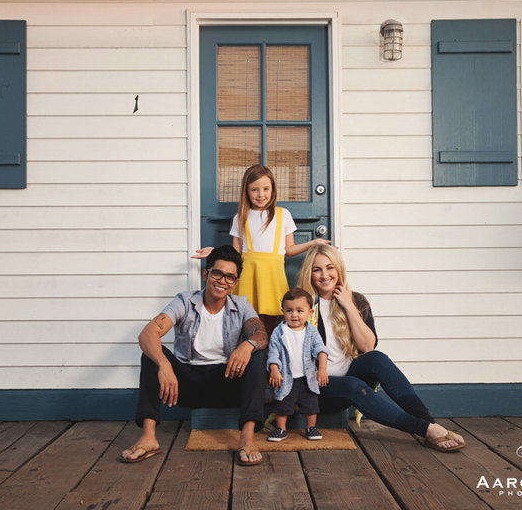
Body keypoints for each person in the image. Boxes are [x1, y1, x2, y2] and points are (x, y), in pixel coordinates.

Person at [296, 244, 466, 452]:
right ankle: (425, 430)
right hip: (318, 390)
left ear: (339, 269)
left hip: (351, 376)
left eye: (330, 267)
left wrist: (349, 306)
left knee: (376, 358)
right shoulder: (300, 305)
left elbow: (367, 346)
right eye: (317, 269)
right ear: (309, 273)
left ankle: (430, 423)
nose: (325, 275)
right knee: (350, 385)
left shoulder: (356, 300)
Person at [121, 245, 269, 466]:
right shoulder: (185, 301)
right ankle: (149, 438)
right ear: (206, 274)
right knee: (151, 354)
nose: (222, 281)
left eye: (230, 277)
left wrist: (247, 346)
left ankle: (247, 438)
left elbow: (261, 335)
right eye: (217, 273)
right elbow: (147, 334)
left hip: (226, 381)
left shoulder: (241, 304)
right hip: (186, 384)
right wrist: (164, 364)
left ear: (235, 283)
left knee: (258, 355)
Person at [193, 165, 331, 335]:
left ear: (273, 190)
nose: (260, 194)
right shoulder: (241, 217)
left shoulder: (283, 215)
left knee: (273, 326)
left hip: (273, 278)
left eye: (266, 189)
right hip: (249, 278)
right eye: (254, 190)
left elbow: (290, 249)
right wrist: (216, 251)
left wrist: (313, 243)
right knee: (249, 324)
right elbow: (236, 254)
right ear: (246, 191)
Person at [267, 288, 329, 442]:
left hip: (307, 378)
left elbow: (321, 350)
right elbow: (273, 353)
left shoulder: (312, 332)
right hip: (286, 378)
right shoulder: (279, 332)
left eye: (299, 310)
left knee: (311, 404)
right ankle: (281, 429)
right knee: (282, 404)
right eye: (289, 310)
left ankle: (311, 427)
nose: (294, 315)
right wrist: (274, 369)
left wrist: (322, 369)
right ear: (283, 312)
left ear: (309, 312)